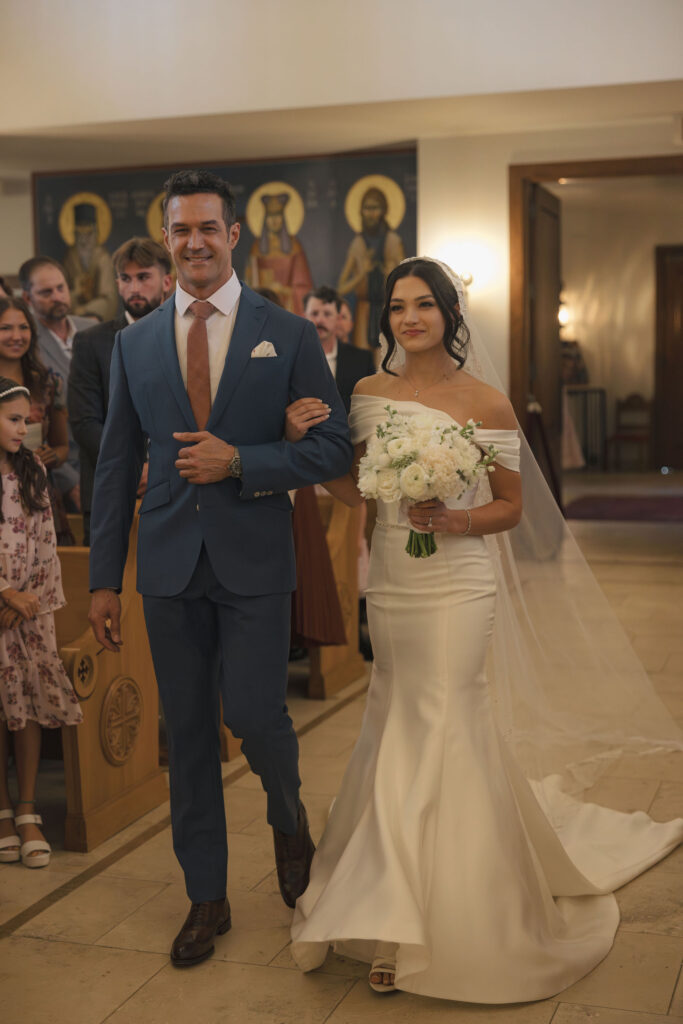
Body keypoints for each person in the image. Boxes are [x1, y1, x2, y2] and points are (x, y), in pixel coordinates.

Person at [290, 257, 683, 1001]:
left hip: (459, 580)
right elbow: (354, 493)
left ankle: (418, 921)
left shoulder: (485, 402)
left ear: (448, 314)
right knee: (394, 718)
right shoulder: (368, 392)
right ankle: (385, 900)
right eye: (397, 307)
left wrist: (454, 518)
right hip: (396, 583)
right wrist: (305, 444)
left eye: (423, 306)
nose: (408, 319)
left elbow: (511, 506)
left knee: (444, 719)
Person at [87, 169, 352, 968]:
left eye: (208, 227)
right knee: (191, 735)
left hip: (254, 558)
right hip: (167, 563)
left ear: (233, 235)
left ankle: (286, 816)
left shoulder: (288, 333)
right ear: (167, 242)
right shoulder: (133, 343)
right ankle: (206, 897)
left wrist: (244, 459)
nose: (194, 242)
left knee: (258, 716)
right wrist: (103, 579)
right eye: (180, 231)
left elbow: (332, 447)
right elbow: (112, 466)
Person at [0, 377, 82, 870]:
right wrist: (2, 593)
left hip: (29, 611)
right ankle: (2, 811)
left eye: (28, 419)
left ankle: (28, 807)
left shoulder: (31, 469)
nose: (26, 427)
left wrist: (26, 599)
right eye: (14, 418)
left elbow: (44, 540)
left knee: (26, 705)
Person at [69, 237, 173, 544]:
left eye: (143, 277)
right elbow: (85, 422)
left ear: (166, 280)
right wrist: (135, 465)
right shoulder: (91, 342)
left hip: (175, 484)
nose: (134, 288)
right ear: (116, 283)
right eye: (126, 279)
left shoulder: (185, 337)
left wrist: (160, 467)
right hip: (110, 488)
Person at [20, 256, 95, 511]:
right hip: (60, 473)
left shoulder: (92, 329)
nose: (57, 296)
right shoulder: (26, 344)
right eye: (46, 292)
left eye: (61, 288)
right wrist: (68, 481)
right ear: (27, 299)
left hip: (102, 460)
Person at [0, 297, 73, 544]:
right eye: (5, 328)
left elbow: (62, 445)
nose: (16, 336)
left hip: (37, 491)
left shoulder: (46, 382)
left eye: (23, 327)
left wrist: (54, 455)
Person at [337, 186, 404, 351]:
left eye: (375, 208)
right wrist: (362, 274)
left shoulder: (393, 241)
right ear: (361, 211)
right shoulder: (357, 244)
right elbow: (340, 289)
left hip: (389, 310)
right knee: (364, 366)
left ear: (383, 210)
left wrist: (392, 274)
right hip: (363, 313)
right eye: (367, 208)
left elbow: (408, 283)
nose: (371, 213)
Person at [300, 286, 374, 413]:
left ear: (338, 319)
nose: (320, 320)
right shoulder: (293, 358)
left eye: (327, 314)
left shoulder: (361, 360)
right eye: (314, 313)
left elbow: (370, 407)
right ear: (304, 316)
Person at [244, 192, 313, 315]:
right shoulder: (257, 248)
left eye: (278, 216)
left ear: (283, 218)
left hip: (288, 306)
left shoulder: (294, 246)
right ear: (265, 219)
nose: (274, 221)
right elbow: (249, 281)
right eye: (270, 216)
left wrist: (283, 290)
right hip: (262, 306)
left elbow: (303, 285)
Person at [62, 201, 118, 321]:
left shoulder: (103, 258)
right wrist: (76, 293)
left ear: (95, 233)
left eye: (88, 234)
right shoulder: (70, 258)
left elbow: (109, 299)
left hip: (97, 317)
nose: (83, 241)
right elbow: (62, 295)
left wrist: (84, 310)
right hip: (72, 318)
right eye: (79, 234)